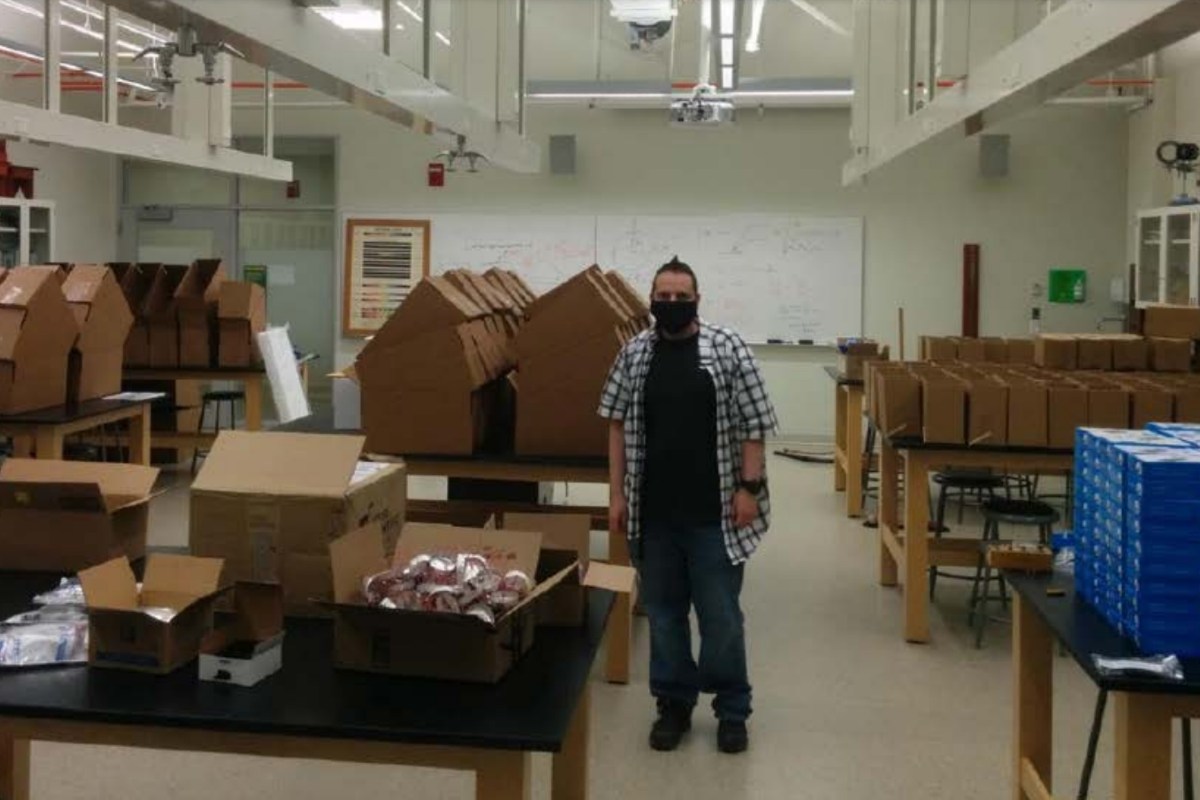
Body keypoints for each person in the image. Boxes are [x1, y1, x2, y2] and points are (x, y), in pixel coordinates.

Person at [597, 256, 778, 755]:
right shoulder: (634, 353)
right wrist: (615, 494)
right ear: (651, 298)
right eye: (663, 296)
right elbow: (614, 423)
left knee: (720, 618)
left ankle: (732, 709)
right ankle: (673, 704)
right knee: (664, 615)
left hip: (714, 515)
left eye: (681, 297)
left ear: (698, 299)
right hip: (653, 514)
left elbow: (754, 425)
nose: (671, 304)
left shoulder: (727, 349)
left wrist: (750, 488)